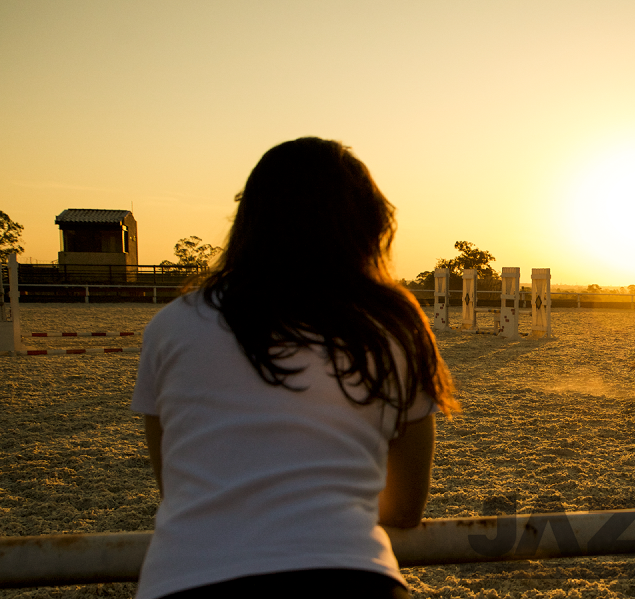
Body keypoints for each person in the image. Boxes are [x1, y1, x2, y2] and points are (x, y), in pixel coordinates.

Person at [132, 137, 458, 599]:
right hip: (351, 575)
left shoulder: (172, 326)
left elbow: (179, 488)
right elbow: (405, 507)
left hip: (188, 577)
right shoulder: (393, 327)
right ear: (366, 225)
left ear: (249, 220)